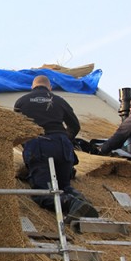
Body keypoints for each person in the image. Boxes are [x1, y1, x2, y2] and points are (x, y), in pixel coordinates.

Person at [14, 75, 98, 220]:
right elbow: (75, 126)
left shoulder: (21, 102)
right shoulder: (59, 101)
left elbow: (16, 129)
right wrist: (65, 140)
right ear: (50, 87)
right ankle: (80, 200)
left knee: (43, 192)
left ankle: (71, 203)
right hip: (61, 145)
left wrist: (26, 144)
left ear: (32, 86)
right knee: (64, 185)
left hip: (38, 145)